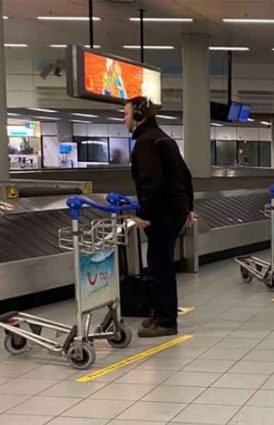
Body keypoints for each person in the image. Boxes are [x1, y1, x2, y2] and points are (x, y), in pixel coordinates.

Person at [124, 96, 194, 337]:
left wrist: (142, 215)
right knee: (159, 264)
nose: (125, 119)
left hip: (161, 215)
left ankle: (166, 321)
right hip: (174, 212)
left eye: (126, 114)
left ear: (139, 116)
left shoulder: (145, 143)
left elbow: (151, 184)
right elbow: (186, 175)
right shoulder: (165, 139)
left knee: (159, 266)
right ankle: (159, 312)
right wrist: (188, 208)